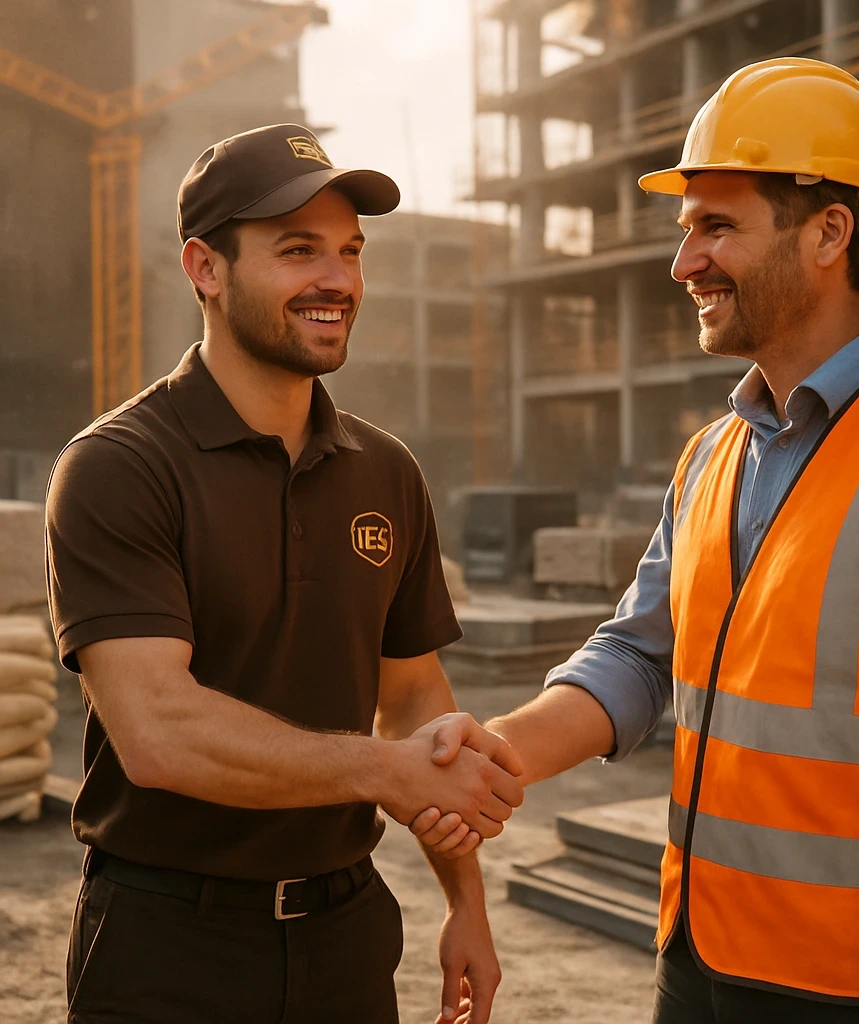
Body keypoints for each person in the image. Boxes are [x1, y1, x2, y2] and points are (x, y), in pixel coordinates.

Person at [412, 58, 859, 1023]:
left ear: (830, 232)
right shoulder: (714, 456)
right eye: (686, 229)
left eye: (717, 227)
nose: (682, 262)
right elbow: (638, 657)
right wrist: (499, 751)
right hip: (697, 962)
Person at [45, 123, 521, 1024]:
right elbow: (158, 731)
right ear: (206, 268)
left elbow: (415, 696)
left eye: (349, 251)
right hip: (166, 944)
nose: (337, 280)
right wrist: (388, 772)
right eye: (298, 249)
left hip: (346, 934)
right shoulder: (120, 467)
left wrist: (467, 904)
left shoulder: (386, 471)